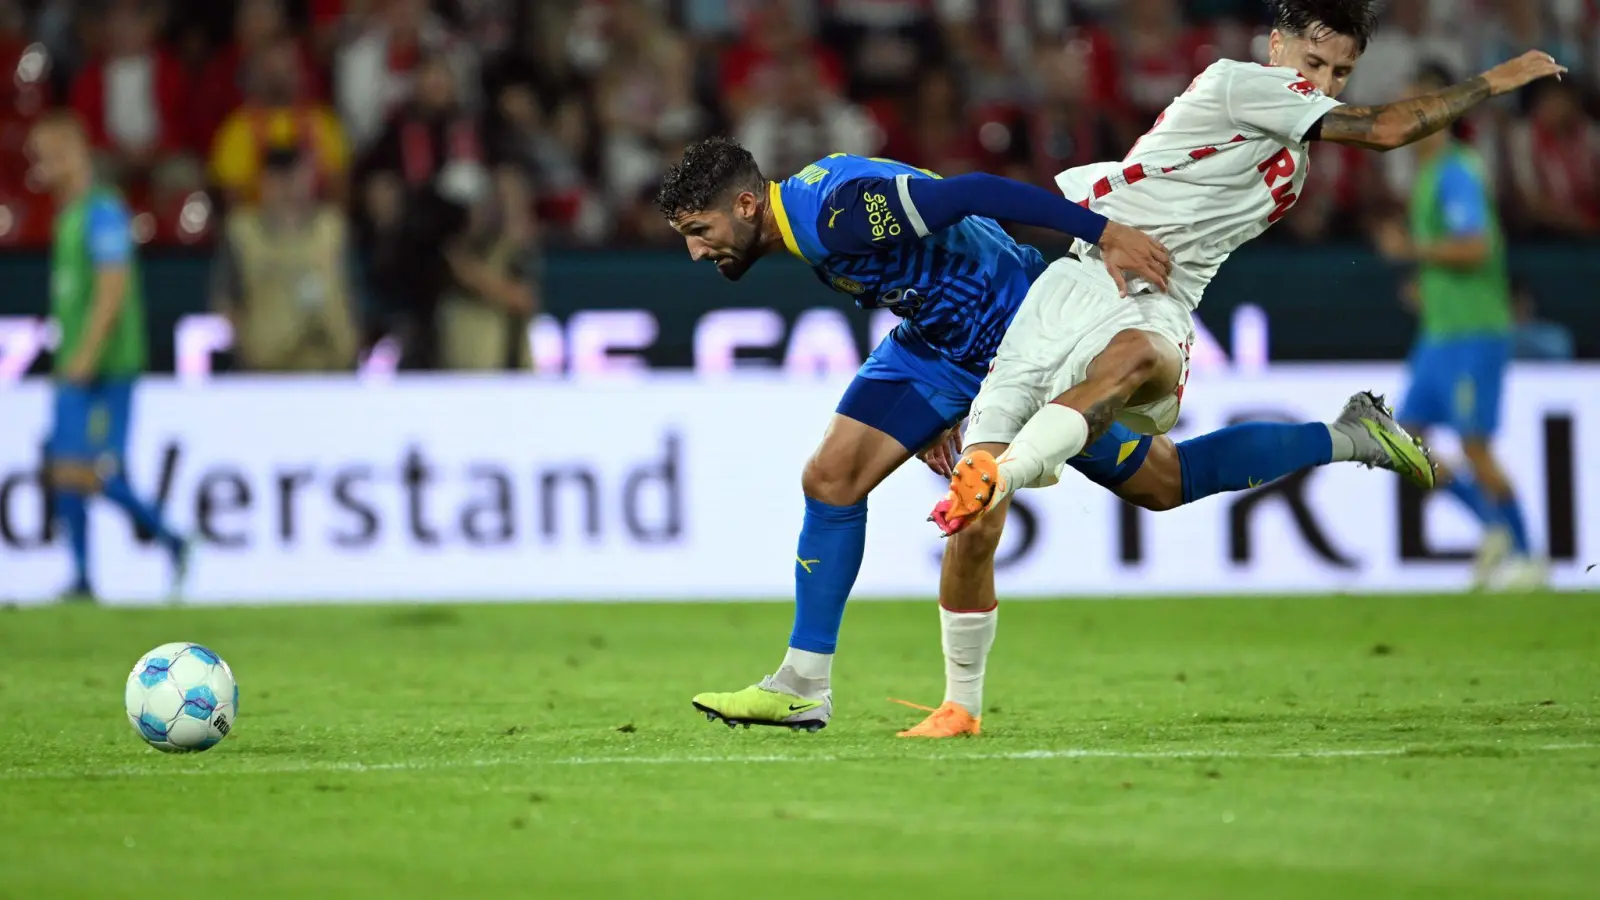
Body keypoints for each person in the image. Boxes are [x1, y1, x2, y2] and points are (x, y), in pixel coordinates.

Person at [913, 0, 1564, 737]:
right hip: (1069, 289)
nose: (1324, 82)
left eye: (1341, 72)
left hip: (1155, 305)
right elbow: (1386, 129)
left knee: (1128, 365)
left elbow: (1376, 131)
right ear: (1276, 45)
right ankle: (960, 703)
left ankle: (999, 472)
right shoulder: (1236, 82)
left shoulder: (1295, 150)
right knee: (1070, 506)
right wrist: (1497, 79)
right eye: (1313, 64)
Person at [659, 137, 1424, 734]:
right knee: (830, 479)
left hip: (1018, 340)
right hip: (939, 345)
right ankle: (801, 686)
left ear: (748, 205)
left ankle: (1350, 434)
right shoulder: (807, 218)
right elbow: (918, 269)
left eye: (700, 230)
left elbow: (975, 194)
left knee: (1162, 483)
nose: (696, 252)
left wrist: (1105, 234)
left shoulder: (839, 213)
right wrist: (936, 412)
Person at [1374, 63, 1545, 591]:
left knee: (1474, 446)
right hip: (1440, 332)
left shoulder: (1455, 172)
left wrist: (1412, 250)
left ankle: (1527, 555)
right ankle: (1492, 526)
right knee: (1402, 438)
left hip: (1474, 331)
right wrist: (1427, 285)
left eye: (1412, 109)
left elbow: (1477, 246)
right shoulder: (1430, 175)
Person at [31, 111, 188, 603]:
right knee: (63, 469)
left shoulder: (103, 212)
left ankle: (173, 539)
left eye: (50, 154)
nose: (40, 165)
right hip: (73, 363)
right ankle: (81, 579)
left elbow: (112, 290)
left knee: (93, 470)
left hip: (105, 366)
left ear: (75, 155)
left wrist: (87, 354)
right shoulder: (69, 215)